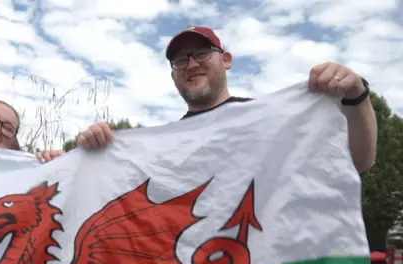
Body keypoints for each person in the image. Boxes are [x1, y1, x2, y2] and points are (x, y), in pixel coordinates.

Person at [71, 26, 377, 173]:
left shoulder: (271, 122)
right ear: (174, 74)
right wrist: (93, 155)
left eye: (202, 53)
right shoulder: (161, 148)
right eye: (179, 60)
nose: (190, 64)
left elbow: (358, 161)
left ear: (226, 60)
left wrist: (357, 97)